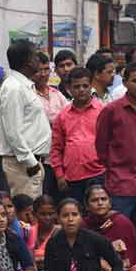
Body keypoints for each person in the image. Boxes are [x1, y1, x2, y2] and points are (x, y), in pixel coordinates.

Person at [13, 198, 121, 271]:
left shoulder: (94, 239)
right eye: (65, 216)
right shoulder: (53, 243)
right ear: (58, 219)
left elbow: (117, 264)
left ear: (81, 217)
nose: (70, 220)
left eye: (74, 215)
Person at [95, 62, 136, 232]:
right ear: (124, 82)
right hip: (121, 181)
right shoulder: (111, 110)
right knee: (118, 229)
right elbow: (100, 145)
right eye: (135, 81)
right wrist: (113, 167)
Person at [0, 40, 51, 199]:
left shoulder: (24, 85)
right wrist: (31, 163)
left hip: (31, 162)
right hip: (23, 165)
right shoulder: (13, 88)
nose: (39, 59)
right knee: (26, 215)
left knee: (33, 214)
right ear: (28, 61)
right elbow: (13, 131)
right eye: (36, 55)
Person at [49, 67, 105, 203]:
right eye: (77, 86)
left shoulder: (102, 111)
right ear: (69, 88)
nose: (81, 89)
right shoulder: (62, 116)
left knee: (99, 211)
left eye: (85, 86)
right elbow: (56, 149)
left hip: (99, 173)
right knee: (76, 213)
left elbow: (112, 144)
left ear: (91, 86)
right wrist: (59, 175)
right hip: (72, 176)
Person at [81, 184, 136, 271]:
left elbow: (134, 256)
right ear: (87, 206)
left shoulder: (122, 222)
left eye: (103, 199)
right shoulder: (83, 225)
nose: (100, 203)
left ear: (110, 203)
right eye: (94, 200)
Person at [34, 52, 67, 125]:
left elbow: (69, 115)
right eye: (39, 70)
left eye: (46, 69)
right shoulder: (29, 93)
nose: (43, 74)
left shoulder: (56, 94)